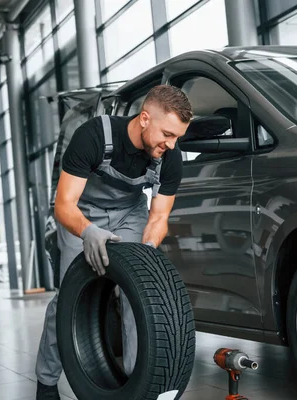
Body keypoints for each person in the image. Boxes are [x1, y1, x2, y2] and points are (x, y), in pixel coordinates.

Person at [35, 84, 192, 400]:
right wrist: (88, 231)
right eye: (168, 134)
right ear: (145, 118)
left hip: (129, 215)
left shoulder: (170, 156)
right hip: (82, 214)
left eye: (177, 137)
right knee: (67, 299)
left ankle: (139, 384)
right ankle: (46, 381)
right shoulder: (93, 136)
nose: (172, 144)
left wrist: (147, 252)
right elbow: (64, 204)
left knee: (140, 294)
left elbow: (159, 217)